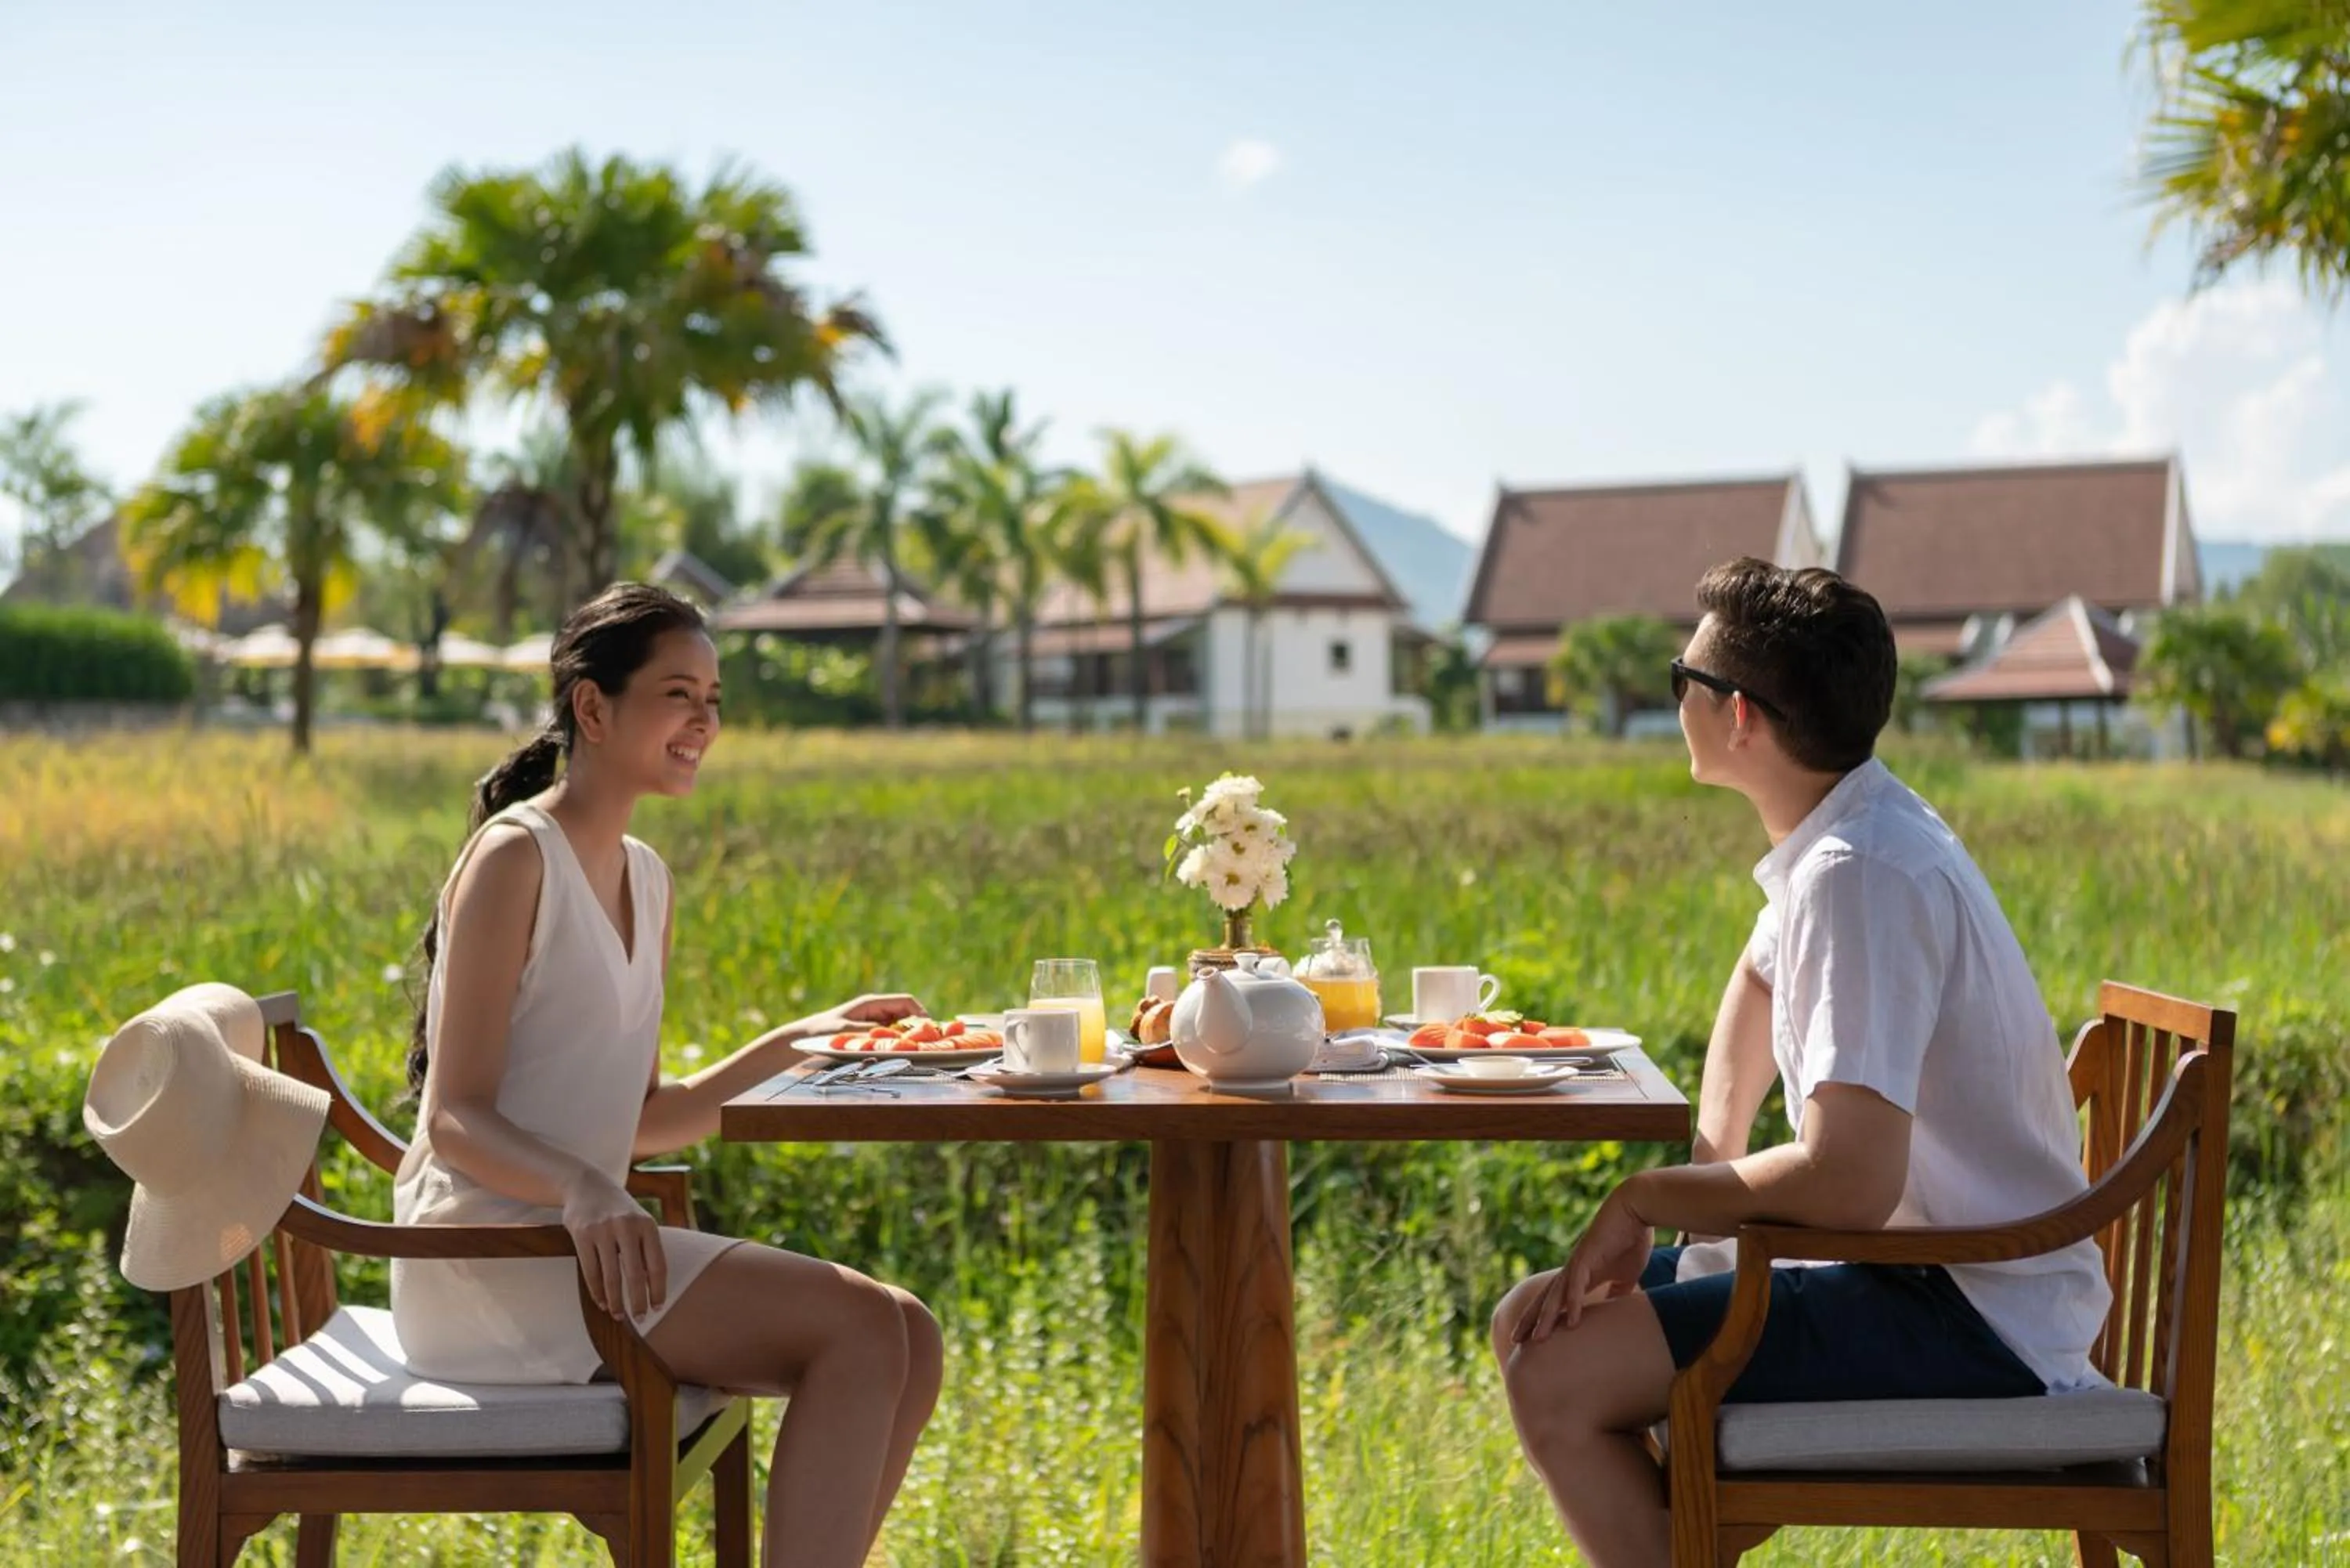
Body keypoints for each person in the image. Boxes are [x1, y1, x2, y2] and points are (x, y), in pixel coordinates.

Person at [1489, 558, 2110, 1567]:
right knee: (1535, 1319)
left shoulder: (1857, 875)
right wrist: (1710, 1153)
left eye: (1677, 679)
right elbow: (1760, 975)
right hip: (1933, 1277)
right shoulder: (1853, 829)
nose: (1673, 697)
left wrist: (1653, 1199)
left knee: (1553, 1370)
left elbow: (1854, 1181)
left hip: (1965, 1314)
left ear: (1738, 718)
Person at [392, 582, 938, 1568]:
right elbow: (455, 1120)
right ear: (593, 708)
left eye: (715, 699)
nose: (705, 722)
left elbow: (646, 1117)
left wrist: (803, 1039)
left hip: (592, 1249)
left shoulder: (646, 873)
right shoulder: (514, 859)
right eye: (679, 694)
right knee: (862, 1329)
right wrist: (581, 1186)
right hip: (496, 1259)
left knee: (911, 1332)